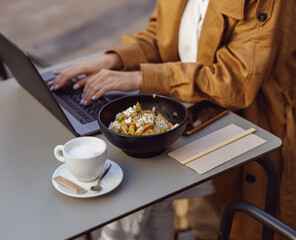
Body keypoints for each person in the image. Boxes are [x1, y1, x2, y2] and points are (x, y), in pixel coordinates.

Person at [49, 0, 296, 239]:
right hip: (184, 109)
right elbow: (161, 36)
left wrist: (141, 78)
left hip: (247, 124)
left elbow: (236, 82)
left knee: (140, 190)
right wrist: (111, 60)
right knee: (133, 178)